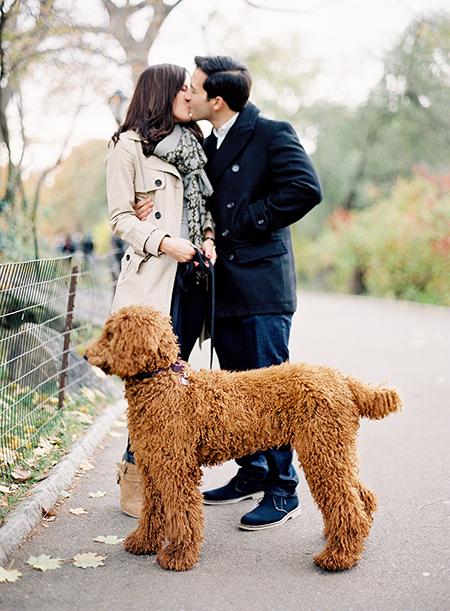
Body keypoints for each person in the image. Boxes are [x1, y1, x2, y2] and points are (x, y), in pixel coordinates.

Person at [136, 55, 323, 531]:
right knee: (239, 389)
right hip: (222, 288)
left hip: (261, 286)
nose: (188, 93)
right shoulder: (207, 142)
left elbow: (306, 189)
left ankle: (283, 490)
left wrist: (248, 219)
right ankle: (252, 471)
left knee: (273, 392)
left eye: (195, 88)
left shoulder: (271, 133)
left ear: (216, 100)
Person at [106, 63, 216, 517]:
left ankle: (169, 480)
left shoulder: (192, 146)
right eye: (183, 89)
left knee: (175, 386)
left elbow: (202, 207)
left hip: (191, 282)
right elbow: (119, 217)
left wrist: (207, 237)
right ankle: (134, 479)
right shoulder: (127, 147)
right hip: (152, 283)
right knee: (149, 387)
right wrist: (164, 241)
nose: (190, 95)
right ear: (162, 93)